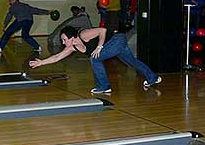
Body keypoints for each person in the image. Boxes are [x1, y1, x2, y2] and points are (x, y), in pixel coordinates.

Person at [29, 25, 162, 94]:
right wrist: (41, 62)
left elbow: (102, 30)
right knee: (132, 62)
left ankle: (104, 87)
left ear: (71, 37)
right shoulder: (72, 47)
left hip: (117, 39)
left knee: (95, 59)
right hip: (116, 44)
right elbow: (57, 57)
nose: (63, 42)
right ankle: (153, 77)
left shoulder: (83, 34)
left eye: (64, 39)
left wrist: (99, 47)